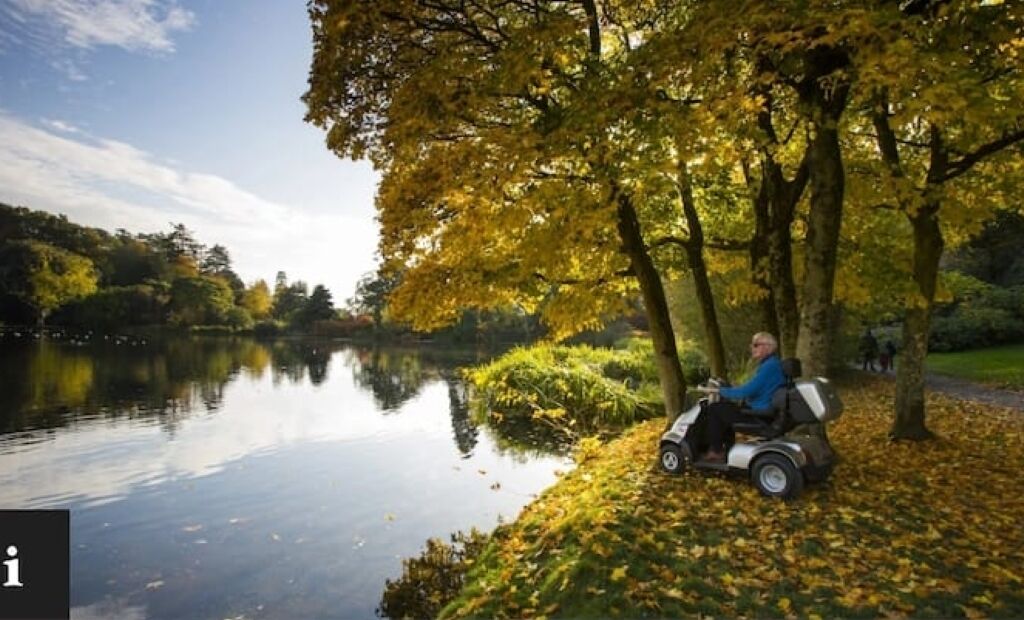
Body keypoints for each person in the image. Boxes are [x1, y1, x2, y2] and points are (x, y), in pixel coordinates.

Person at [698, 332, 786, 463]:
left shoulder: (769, 366)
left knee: (714, 409)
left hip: (758, 415)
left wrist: (716, 390)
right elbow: (756, 388)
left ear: (768, 347)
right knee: (726, 410)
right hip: (762, 411)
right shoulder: (772, 364)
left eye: (756, 344)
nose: (752, 348)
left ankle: (716, 452)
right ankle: (726, 448)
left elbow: (747, 391)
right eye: (752, 345)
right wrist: (730, 391)